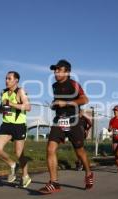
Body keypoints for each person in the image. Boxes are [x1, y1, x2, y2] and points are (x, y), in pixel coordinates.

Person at [39, 60, 93, 194]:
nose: (56, 72)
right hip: (59, 121)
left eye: (59, 70)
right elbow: (58, 101)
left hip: (74, 121)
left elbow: (85, 99)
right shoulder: (55, 85)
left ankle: (88, 173)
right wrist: (54, 104)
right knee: (50, 148)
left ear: (67, 72)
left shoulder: (73, 84)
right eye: (55, 70)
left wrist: (66, 103)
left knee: (79, 152)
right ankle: (54, 182)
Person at [0, 71, 32, 188]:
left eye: (9, 78)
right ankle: (12, 165)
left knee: (19, 153)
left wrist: (11, 103)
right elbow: (2, 109)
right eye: (6, 78)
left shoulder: (20, 92)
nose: (6, 80)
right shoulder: (3, 92)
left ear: (16, 80)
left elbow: (28, 107)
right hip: (6, 124)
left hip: (19, 125)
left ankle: (25, 176)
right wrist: (1, 108)